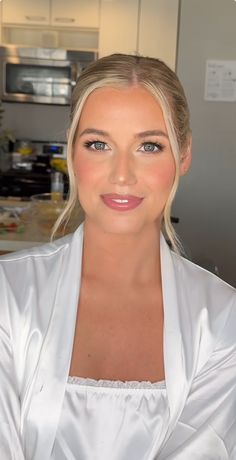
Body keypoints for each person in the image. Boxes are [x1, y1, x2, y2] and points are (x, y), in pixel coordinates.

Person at [0, 54, 236, 460]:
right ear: (73, 152)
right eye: (98, 144)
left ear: (183, 155)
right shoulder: (9, 294)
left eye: (149, 146)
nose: (122, 173)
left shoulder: (221, 319)